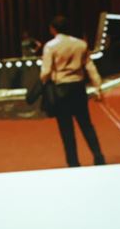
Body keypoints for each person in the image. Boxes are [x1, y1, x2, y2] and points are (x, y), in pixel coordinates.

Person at [40, 15, 106, 167]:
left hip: (61, 88)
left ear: (53, 29)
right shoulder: (81, 44)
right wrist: (98, 87)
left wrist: (43, 83)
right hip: (78, 87)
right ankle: (98, 156)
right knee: (86, 124)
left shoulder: (50, 46)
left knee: (66, 128)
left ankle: (73, 162)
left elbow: (46, 71)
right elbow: (90, 67)